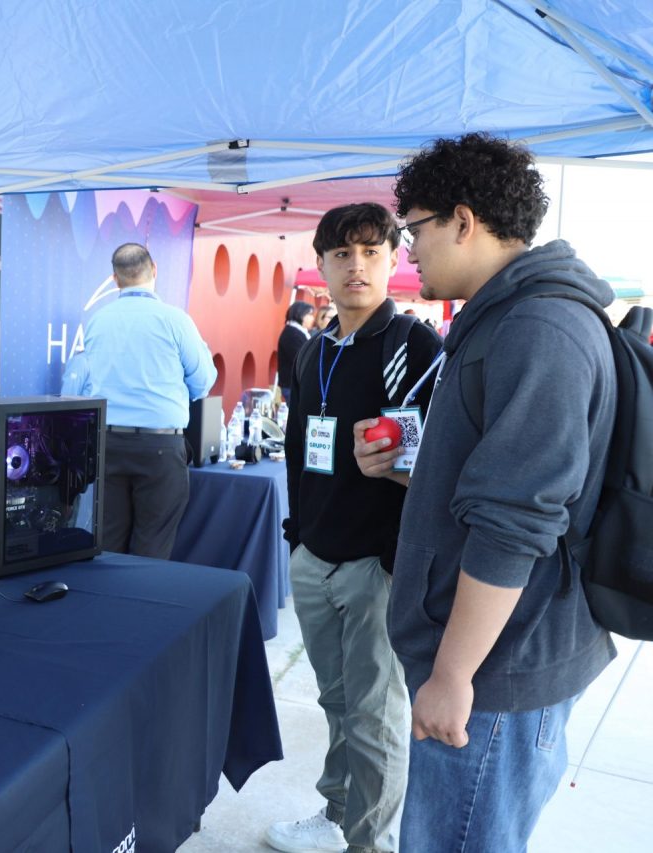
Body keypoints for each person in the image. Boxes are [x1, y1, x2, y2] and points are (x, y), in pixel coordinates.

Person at [354, 132, 616, 851]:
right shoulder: (507, 316)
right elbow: (495, 478)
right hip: (491, 659)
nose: (409, 251)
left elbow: (515, 520)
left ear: (463, 221)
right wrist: (403, 470)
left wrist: (452, 674)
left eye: (414, 230)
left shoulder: (539, 326)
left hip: (495, 671)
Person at [269, 203, 441, 853]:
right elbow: (297, 450)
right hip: (316, 557)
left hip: (376, 566)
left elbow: (444, 461)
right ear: (321, 265)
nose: (357, 266)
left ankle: (372, 843)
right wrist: (298, 539)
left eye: (371, 251)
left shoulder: (414, 346)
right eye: (342, 253)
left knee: (376, 719)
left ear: (394, 259)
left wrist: (393, 560)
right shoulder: (315, 348)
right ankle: (338, 814)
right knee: (337, 703)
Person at [83, 243, 215, 558]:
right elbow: (203, 381)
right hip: (160, 446)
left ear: (115, 278)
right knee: (152, 548)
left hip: (107, 443)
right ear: (154, 269)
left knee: (108, 546)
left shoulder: (97, 320)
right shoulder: (175, 320)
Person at [277, 301, 315, 402]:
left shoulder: (297, 332)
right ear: (300, 314)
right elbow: (301, 359)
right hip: (292, 386)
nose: (312, 318)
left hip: (296, 385)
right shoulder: (292, 333)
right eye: (310, 314)